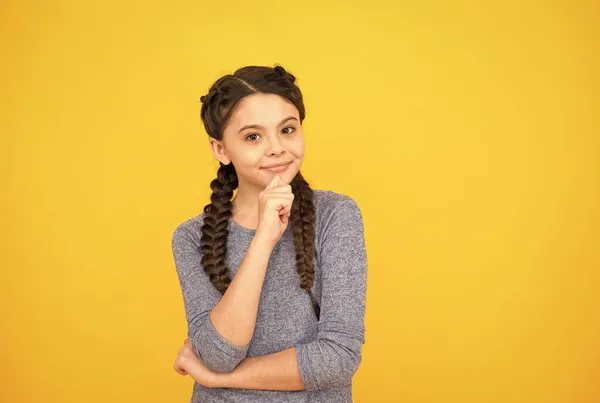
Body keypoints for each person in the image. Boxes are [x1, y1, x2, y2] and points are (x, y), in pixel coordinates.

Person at [171, 64, 368, 402]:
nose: (276, 148)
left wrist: (216, 380)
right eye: (253, 136)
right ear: (220, 149)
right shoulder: (190, 238)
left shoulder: (336, 216)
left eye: (287, 130)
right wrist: (263, 239)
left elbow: (338, 358)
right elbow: (219, 353)